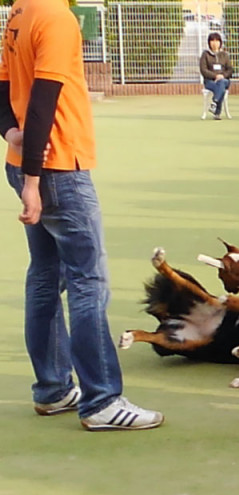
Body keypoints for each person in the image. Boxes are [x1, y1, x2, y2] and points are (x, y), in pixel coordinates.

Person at [0, 0, 164, 430]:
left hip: (25, 163)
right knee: (88, 282)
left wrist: (11, 136)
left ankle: (53, 389)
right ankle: (102, 400)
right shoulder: (55, 17)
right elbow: (44, 102)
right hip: (58, 172)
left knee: (44, 276)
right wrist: (34, 180)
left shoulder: (19, 12)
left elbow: (3, 90)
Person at [199, 32, 233, 121]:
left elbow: (230, 70)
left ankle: (214, 101)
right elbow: (203, 70)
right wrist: (215, 76)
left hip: (224, 80)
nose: (215, 43)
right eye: (212, 41)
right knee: (220, 87)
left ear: (220, 42)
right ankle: (217, 113)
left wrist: (222, 76)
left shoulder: (224, 55)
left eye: (217, 41)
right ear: (209, 42)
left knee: (222, 83)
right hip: (210, 81)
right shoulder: (205, 55)